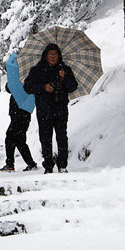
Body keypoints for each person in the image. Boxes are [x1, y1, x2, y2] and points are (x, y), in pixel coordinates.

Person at [23, 43, 78, 174]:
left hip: (61, 109)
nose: (53, 57)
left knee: (62, 137)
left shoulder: (65, 69)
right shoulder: (36, 70)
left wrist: (64, 78)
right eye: (50, 54)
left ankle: (62, 165)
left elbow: (73, 87)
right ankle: (48, 166)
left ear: (59, 55)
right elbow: (28, 87)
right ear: (45, 55)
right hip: (44, 110)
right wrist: (43, 87)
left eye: (55, 54)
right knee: (45, 138)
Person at [0, 84, 39, 172]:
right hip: (19, 114)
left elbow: (13, 89)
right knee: (19, 140)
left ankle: (11, 164)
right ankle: (30, 163)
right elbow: (9, 88)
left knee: (11, 137)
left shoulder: (26, 81)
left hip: (21, 114)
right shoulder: (17, 79)